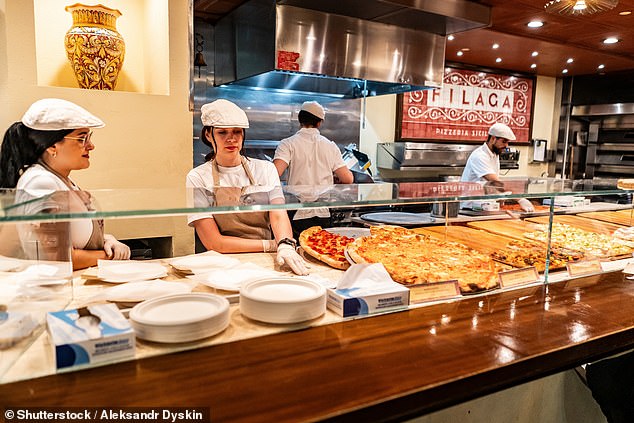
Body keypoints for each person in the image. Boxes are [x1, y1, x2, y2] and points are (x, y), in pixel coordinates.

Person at [0, 98, 130, 269]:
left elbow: (73, 235)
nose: (91, 146)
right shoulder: (40, 182)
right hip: (54, 283)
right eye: (82, 138)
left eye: (89, 137)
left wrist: (107, 240)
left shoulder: (61, 180)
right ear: (52, 146)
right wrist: (109, 256)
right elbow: (58, 258)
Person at [186, 99, 308, 276]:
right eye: (222, 132)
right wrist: (271, 245)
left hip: (267, 261)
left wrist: (285, 245)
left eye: (237, 131)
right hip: (221, 263)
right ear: (208, 135)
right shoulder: (197, 177)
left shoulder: (265, 169)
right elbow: (214, 242)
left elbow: (278, 214)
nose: (231, 139)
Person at [273, 101, 353, 237]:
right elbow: (348, 179)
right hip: (323, 212)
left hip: (296, 211)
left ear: (300, 119)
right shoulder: (330, 146)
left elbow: (274, 174)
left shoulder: (287, 144)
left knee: (297, 246)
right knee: (321, 246)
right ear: (319, 122)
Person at [460, 122, 535, 212]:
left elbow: (490, 184)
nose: (506, 145)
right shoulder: (479, 156)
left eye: (507, 142)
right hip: (471, 207)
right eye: (504, 141)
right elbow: (496, 182)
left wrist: (500, 195)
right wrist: (520, 199)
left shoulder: (495, 154)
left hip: (486, 205)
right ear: (493, 138)